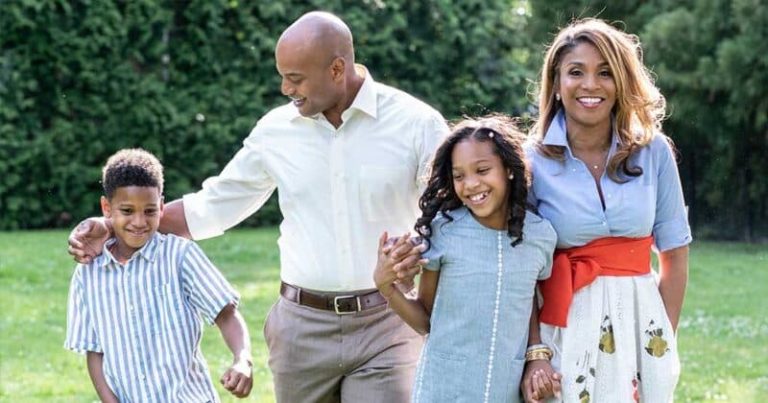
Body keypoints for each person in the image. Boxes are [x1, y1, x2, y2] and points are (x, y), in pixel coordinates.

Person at [67, 11, 448, 402]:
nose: (285, 88)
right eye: (282, 76)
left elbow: (448, 220)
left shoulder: (416, 124)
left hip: (388, 323)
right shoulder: (275, 131)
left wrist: (415, 249)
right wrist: (113, 225)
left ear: (337, 69)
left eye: (295, 78)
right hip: (301, 329)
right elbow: (214, 205)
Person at [521, 18, 692, 402]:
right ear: (557, 83)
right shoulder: (530, 160)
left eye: (605, 72)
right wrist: (536, 353)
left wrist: (662, 339)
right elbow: (523, 269)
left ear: (621, 82)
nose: (590, 85)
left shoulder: (654, 151)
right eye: (575, 72)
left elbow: (675, 254)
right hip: (563, 327)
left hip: (641, 322)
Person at [374, 116, 559, 402]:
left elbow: (529, 297)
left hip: (505, 392)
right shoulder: (444, 232)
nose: (470, 184)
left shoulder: (539, 236)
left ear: (509, 169)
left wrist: (537, 354)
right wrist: (387, 287)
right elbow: (426, 321)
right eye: (459, 176)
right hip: (442, 392)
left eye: (482, 170)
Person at [64, 149, 253, 402]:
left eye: (150, 211)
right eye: (127, 211)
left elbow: (226, 313)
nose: (139, 222)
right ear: (106, 208)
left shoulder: (180, 256)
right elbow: (94, 351)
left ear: (162, 206)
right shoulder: (88, 274)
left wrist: (242, 359)